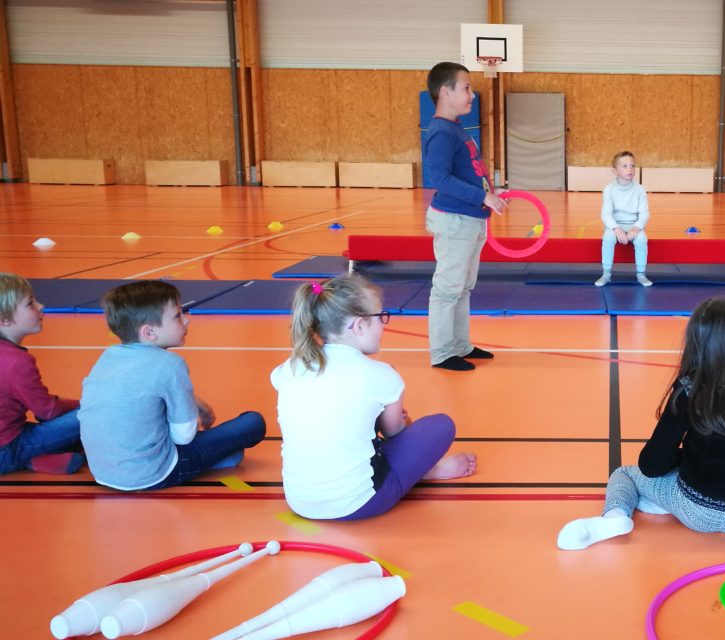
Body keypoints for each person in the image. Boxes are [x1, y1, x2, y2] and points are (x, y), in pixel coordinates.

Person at [557, 296, 725, 550]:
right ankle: (663, 499)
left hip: (699, 512)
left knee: (625, 474)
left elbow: (651, 464)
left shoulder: (691, 387)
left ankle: (615, 517)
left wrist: (683, 458)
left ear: (696, 342)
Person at [272, 275, 477, 521]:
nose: (383, 324)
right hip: (359, 502)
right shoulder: (381, 375)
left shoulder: (290, 367)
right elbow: (394, 433)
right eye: (380, 317)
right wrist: (392, 419)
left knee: (354, 435)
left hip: (299, 500)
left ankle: (420, 469)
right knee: (441, 425)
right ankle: (428, 471)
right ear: (359, 326)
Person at [80, 281, 265, 491]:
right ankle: (212, 459)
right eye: (178, 316)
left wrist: (191, 402)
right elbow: (184, 436)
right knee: (252, 423)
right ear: (149, 332)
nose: (187, 320)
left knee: (223, 447)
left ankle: (217, 456)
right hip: (154, 474)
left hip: (103, 472)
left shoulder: (108, 356)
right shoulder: (170, 364)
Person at [423, 61, 506, 371]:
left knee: (463, 287)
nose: (472, 95)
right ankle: (442, 352)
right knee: (447, 288)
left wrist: (489, 191)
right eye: (466, 88)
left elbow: (470, 170)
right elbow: (440, 179)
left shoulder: (456, 128)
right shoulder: (442, 132)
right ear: (446, 92)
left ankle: (460, 344)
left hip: (471, 219)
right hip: (455, 220)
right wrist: (481, 195)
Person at [0, 273, 83, 475]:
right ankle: (25, 459)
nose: (41, 306)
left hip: (8, 438)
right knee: (93, 414)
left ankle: (38, 460)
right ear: (4, 320)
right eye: (30, 304)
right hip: (7, 449)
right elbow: (47, 412)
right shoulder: (16, 362)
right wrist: (81, 404)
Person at [595, 151, 653, 287]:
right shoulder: (609, 189)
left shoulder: (640, 190)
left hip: (634, 225)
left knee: (641, 239)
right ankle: (606, 274)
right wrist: (616, 229)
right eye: (625, 166)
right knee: (608, 238)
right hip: (615, 226)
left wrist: (636, 228)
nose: (630, 169)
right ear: (615, 171)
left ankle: (641, 274)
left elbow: (644, 213)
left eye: (632, 166)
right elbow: (606, 213)